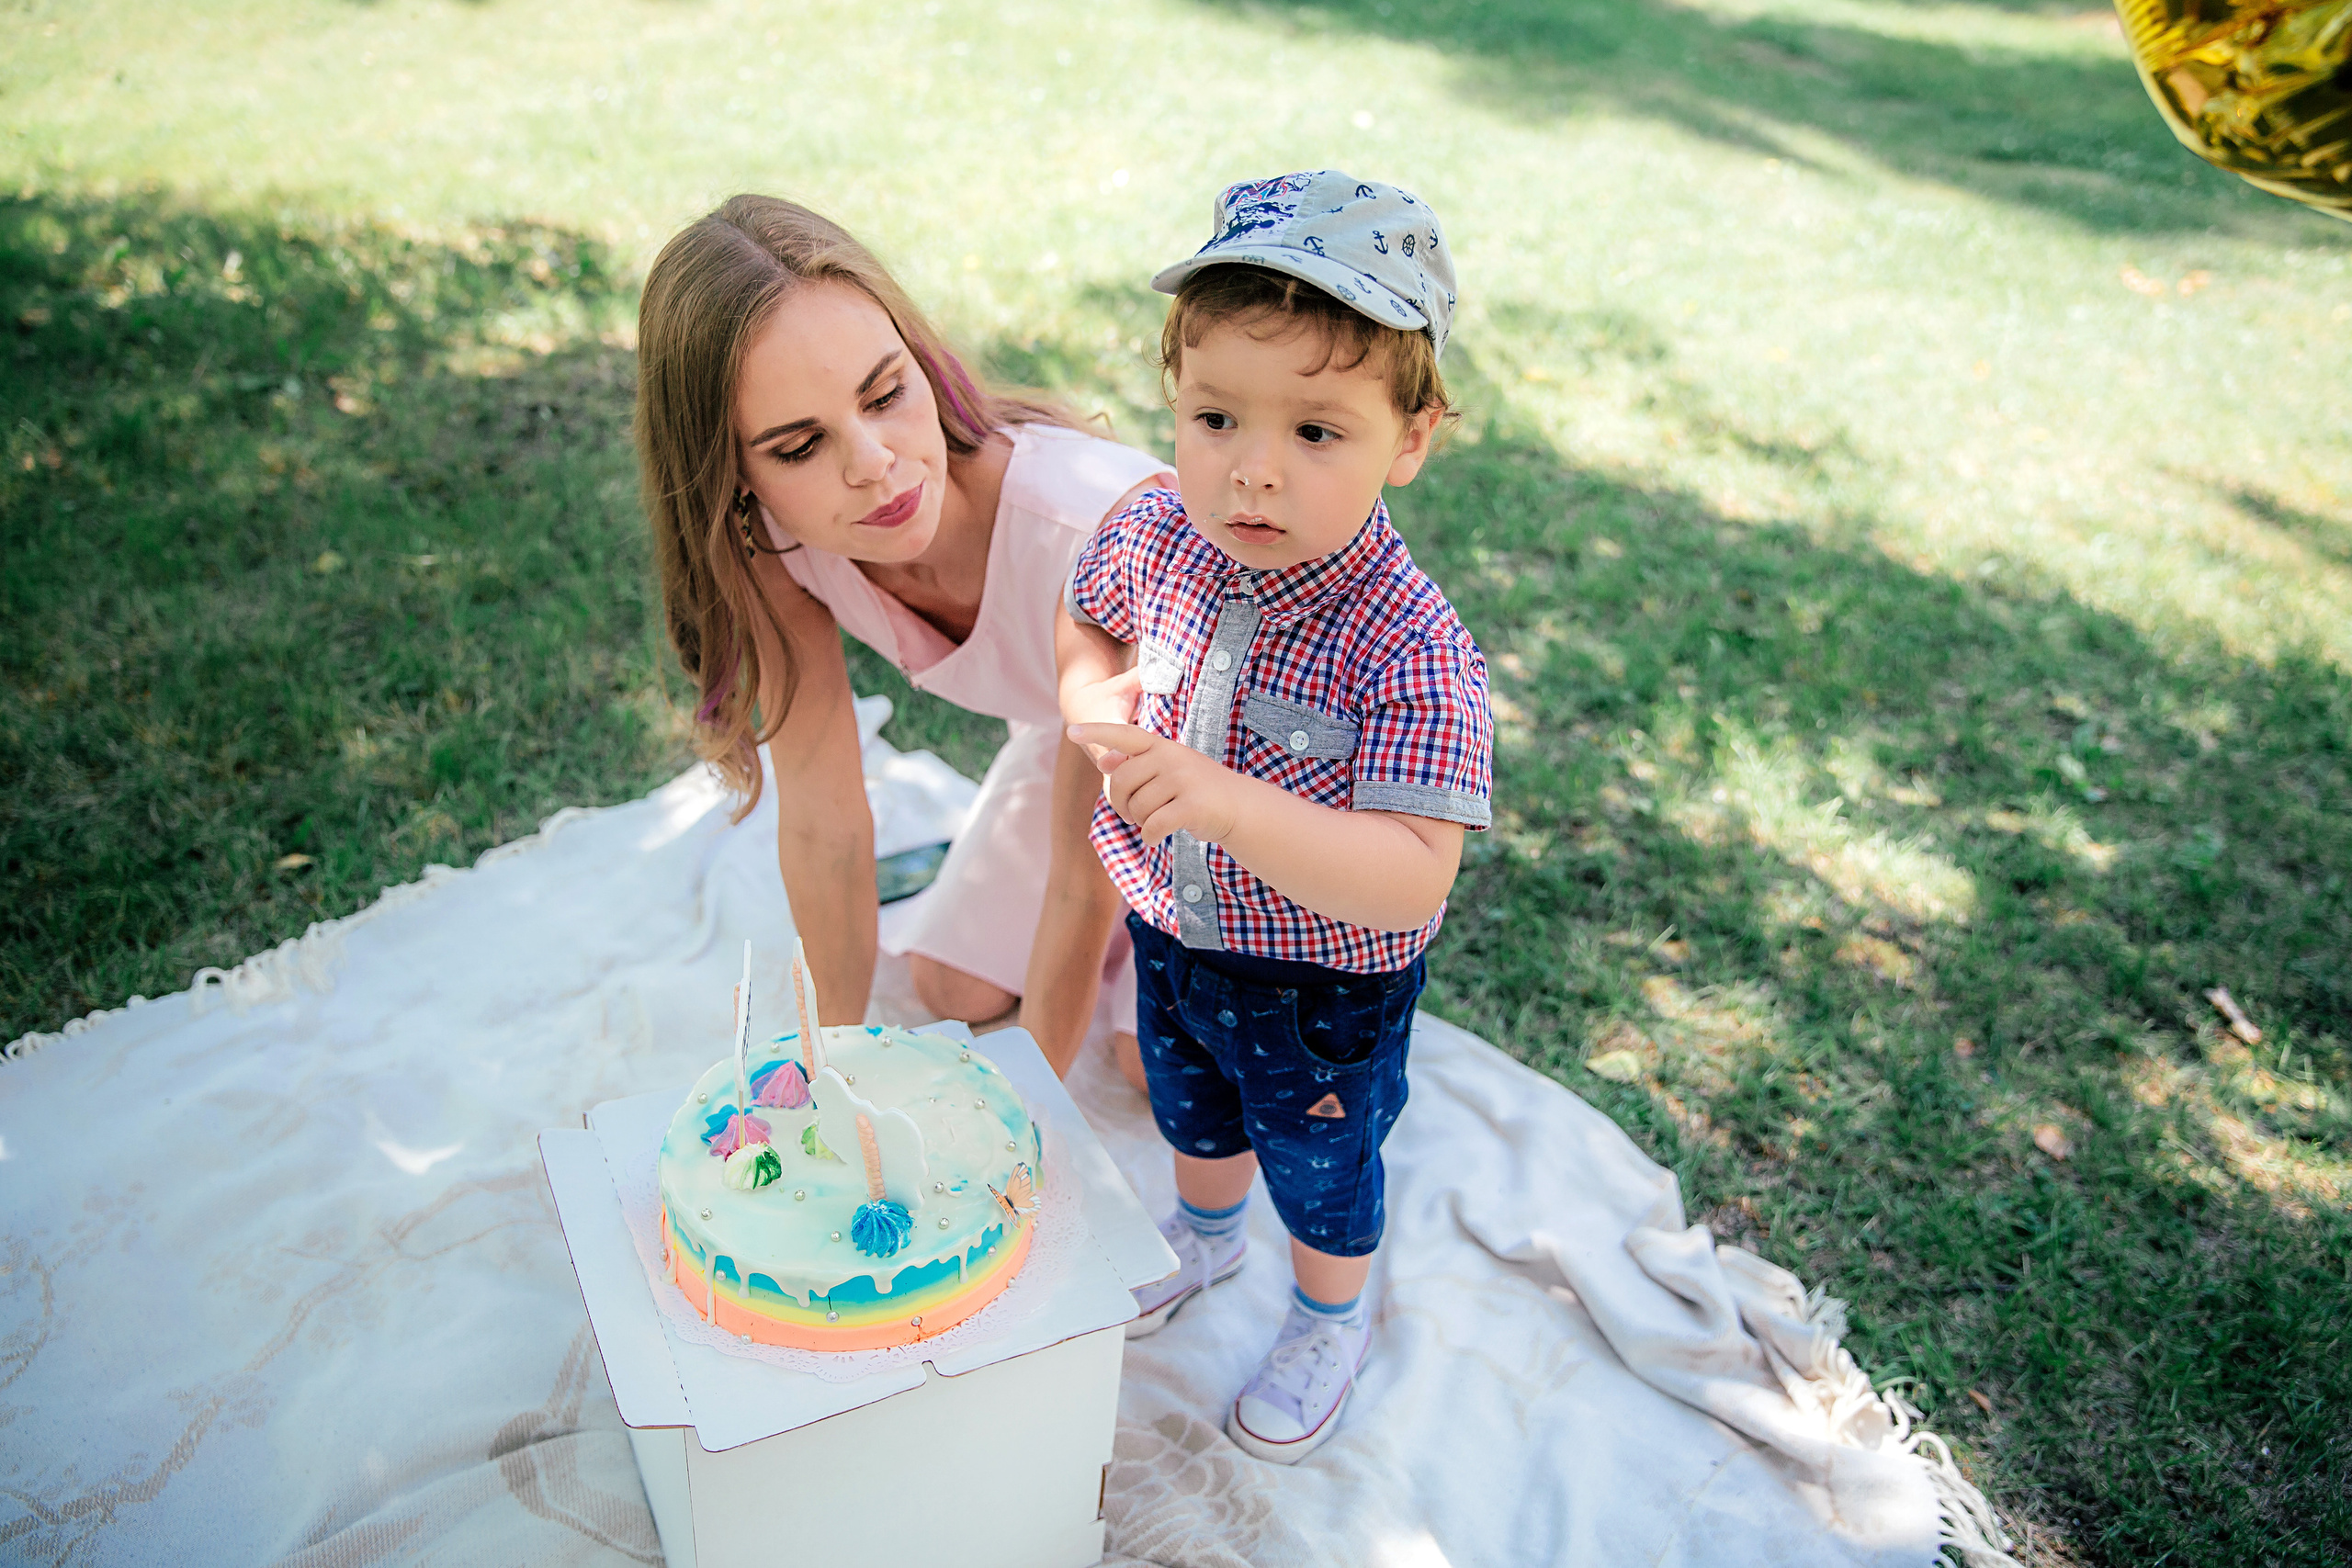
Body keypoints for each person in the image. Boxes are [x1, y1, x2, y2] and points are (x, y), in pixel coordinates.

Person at [1058, 172, 1493, 1462]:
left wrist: (1232, 805)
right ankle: (1201, 1233)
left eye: (1317, 432)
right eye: (1216, 415)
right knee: (1187, 1101)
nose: (1252, 468)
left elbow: (1414, 875)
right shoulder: (1153, 526)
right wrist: (1094, 698)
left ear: (1409, 438)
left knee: (1321, 1160)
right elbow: (1087, 614)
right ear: (1175, 398)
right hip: (1170, 921)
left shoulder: (1412, 642)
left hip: (1322, 985)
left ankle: (1325, 1312)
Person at [635, 195, 1170, 1080]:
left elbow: (1083, 879)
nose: (874, 463)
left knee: (1155, 1069)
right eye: (800, 446)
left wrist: (1028, 1106)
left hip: (1225, 772)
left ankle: (1150, 965)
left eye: (885, 394)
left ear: (920, 362)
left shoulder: (1091, 532)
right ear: (732, 475)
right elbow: (824, 821)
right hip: (1074, 751)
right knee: (947, 986)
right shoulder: (778, 547)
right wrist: (831, 1059)